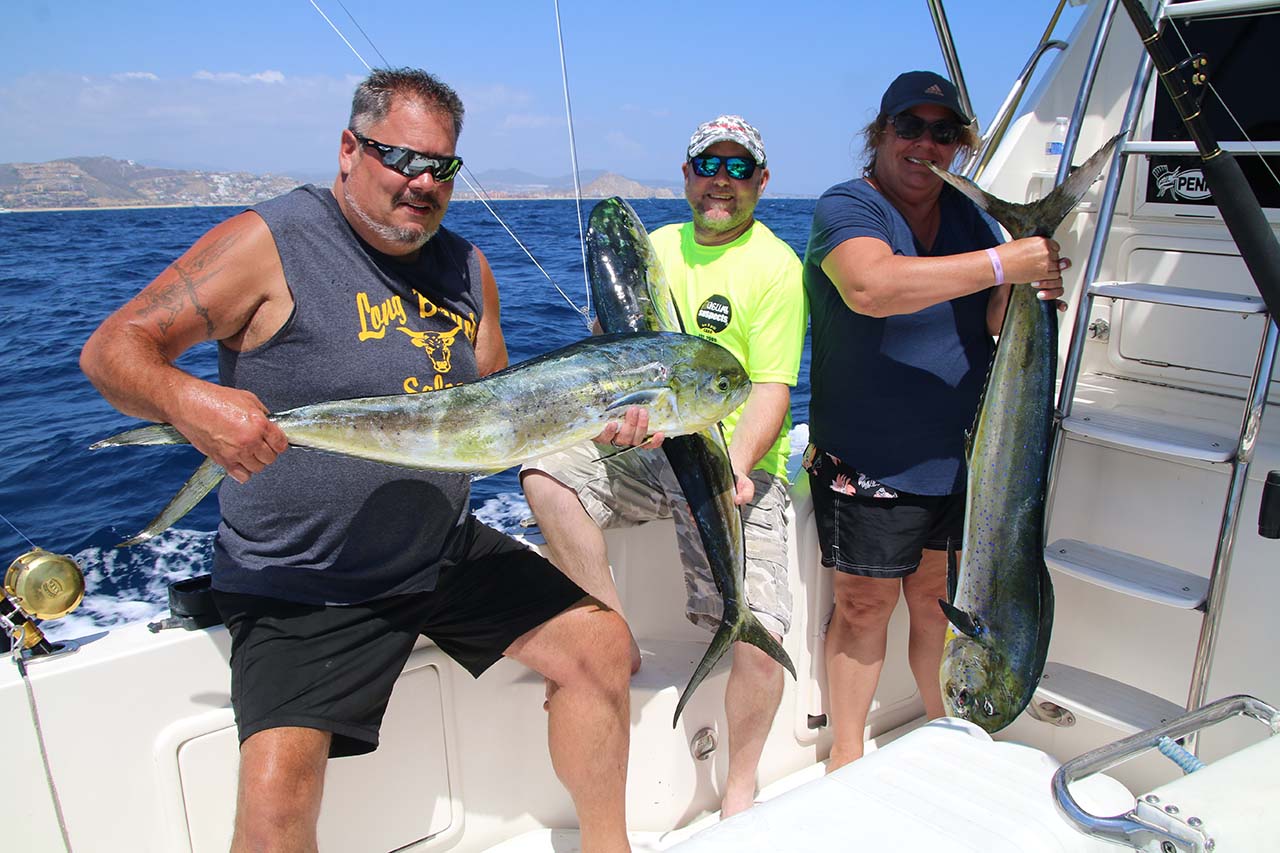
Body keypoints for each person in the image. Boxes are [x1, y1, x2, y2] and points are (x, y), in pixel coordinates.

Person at [80, 68, 635, 853]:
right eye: (398, 158)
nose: (421, 182)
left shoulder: (469, 269)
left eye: (441, 166)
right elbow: (111, 350)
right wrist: (192, 403)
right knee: (275, 812)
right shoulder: (269, 243)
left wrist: (603, 418)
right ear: (349, 149)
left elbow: (502, 415)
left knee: (603, 647)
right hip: (305, 579)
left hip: (439, 552)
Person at [521, 115, 807, 818]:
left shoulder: (776, 267)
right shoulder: (652, 248)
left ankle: (740, 788)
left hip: (740, 470)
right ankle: (613, 633)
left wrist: (736, 468)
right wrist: (620, 414)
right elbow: (611, 353)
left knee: (760, 635)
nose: (722, 180)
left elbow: (771, 387)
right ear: (685, 175)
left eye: (740, 169)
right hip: (652, 455)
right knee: (543, 468)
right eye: (709, 165)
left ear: (762, 183)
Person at [802, 71, 1069, 771]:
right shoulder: (847, 206)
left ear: (958, 146)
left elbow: (990, 315)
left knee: (936, 602)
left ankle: (951, 740)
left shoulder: (968, 219)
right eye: (910, 128)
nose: (926, 143)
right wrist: (999, 261)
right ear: (880, 134)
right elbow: (871, 286)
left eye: (943, 132)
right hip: (872, 460)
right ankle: (848, 759)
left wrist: (1026, 287)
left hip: (967, 463)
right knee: (863, 606)